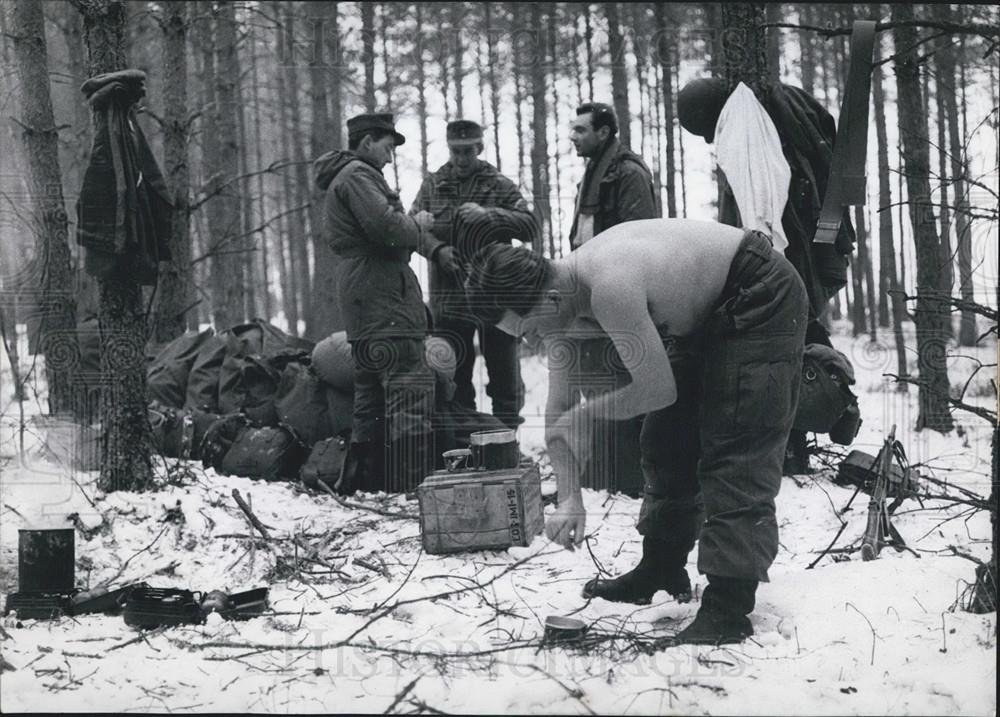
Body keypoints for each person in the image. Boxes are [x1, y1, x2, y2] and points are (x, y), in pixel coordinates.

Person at [465, 219, 808, 645]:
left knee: (735, 443)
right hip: (705, 313)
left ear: (549, 298)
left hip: (760, 290)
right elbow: (559, 415)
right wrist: (570, 497)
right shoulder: (563, 306)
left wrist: (590, 415)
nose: (533, 342)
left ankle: (728, 607)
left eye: (529, 331)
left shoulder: (609, 284)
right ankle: (662, 567)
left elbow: (656, 389)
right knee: (667, 438)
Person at [677, 78, 859, 473]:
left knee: (786, 346)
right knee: (796, 341)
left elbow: (761, 207)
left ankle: (833, 411)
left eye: (705, 132)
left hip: (781, 256)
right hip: (794, 252)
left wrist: (762, 270)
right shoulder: (753, 113)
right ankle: (821, 420)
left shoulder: (744, 130)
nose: (710, 141)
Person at [313, 112, 437, 493]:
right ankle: (409, 489)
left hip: (363, 292)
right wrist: (419, 224)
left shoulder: (346, 177)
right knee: (408, 386)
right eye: (387, 146)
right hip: (383, 290)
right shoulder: (359, 176)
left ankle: (364, 483)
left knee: (369, 390)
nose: (390, 155)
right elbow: (386, 227)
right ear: (367, 142)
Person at [410, 120, 539, 430]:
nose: (461, 158)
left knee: (505, 376)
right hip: (450, 299)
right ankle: (465, 443)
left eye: (468, 151)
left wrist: (490, 215)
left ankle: (507, 442)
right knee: (454, 376)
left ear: (479, 148)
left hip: (496, 297)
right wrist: (437, 250)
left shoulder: (499, 184)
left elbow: (530, 225)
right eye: (456, 151)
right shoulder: (433, 185)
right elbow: (411, 227)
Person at [566, 102, 659, 496]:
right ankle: (604, 472)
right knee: (596, 378)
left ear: (603, 133)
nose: (574, 136)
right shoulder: (593, 173)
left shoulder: (628, 173)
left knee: (622, 377)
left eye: (581, 130)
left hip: (617, 293)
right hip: (590, 291)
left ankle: (630, 477)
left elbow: (639, 241)